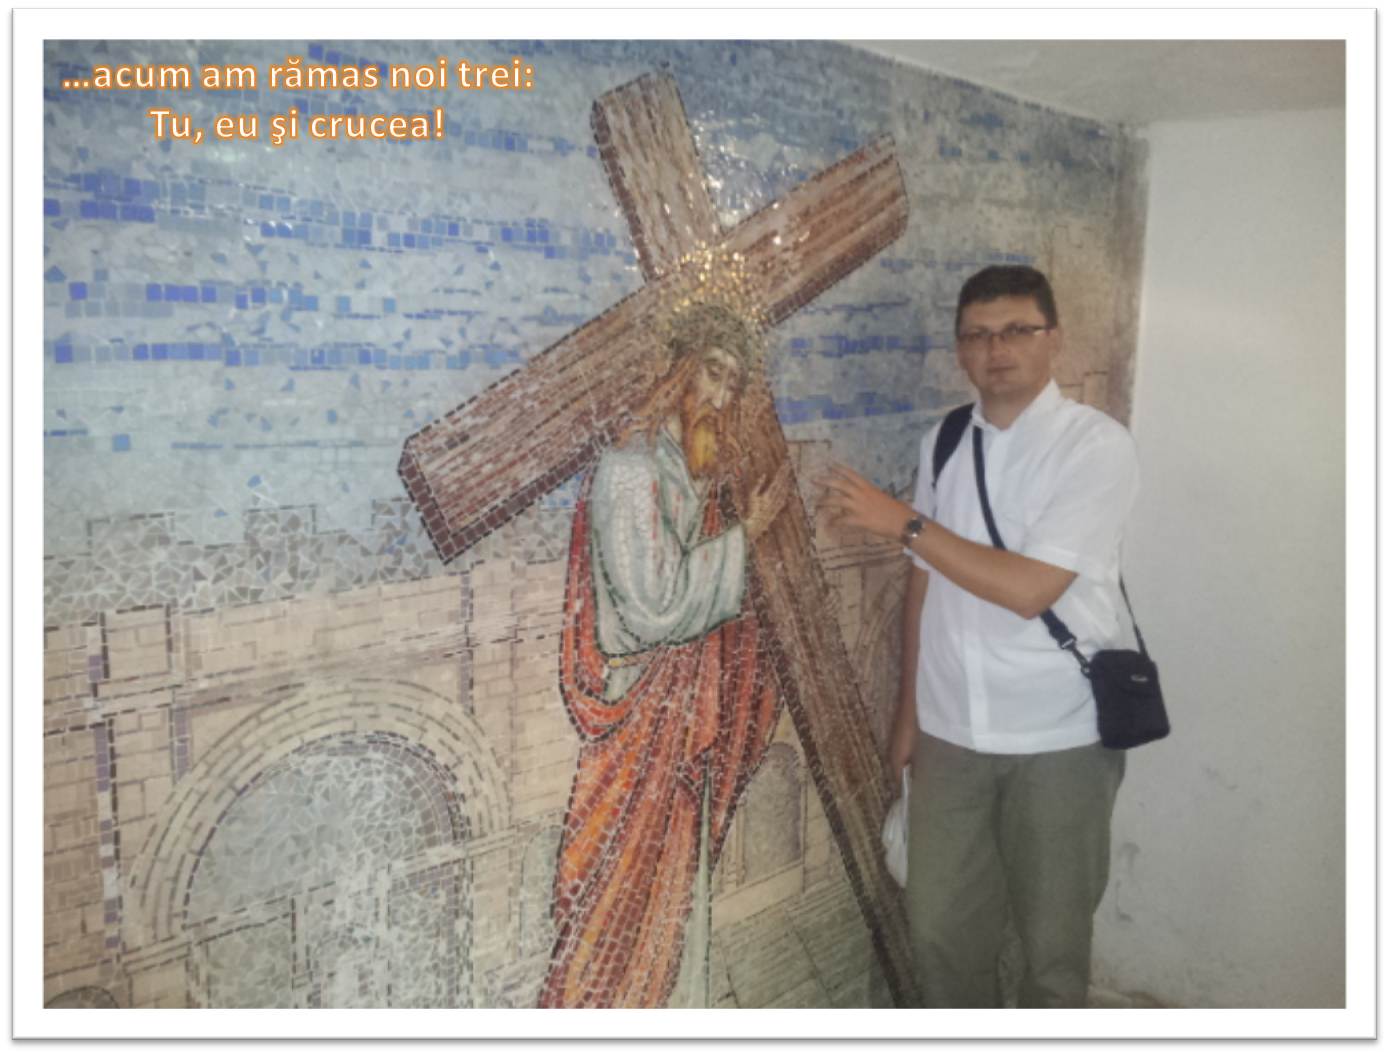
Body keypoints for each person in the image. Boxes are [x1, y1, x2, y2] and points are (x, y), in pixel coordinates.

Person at [818, 265, 1139, 1008]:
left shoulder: (1095, 446)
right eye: (978, 335)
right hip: (950, 733)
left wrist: (903, 521)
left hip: (1059, 736)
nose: (997, 350)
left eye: (1017, 330)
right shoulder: (945, 442)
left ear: (1053, 339)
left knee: (1051, 950)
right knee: (940, 937)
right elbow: (923, 582)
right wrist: (909, 713)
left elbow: (1030, 590)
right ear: (961, 349)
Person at [538, 302, 793, 1008]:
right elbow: (655, 606)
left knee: (675, 892)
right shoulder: (629, 470)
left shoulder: (694, 475)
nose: (720, 397)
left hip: (679, 726)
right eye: (711, 372)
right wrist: (747, 536)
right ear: (677, 370)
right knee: (613, 900)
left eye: (733, 383)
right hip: (638, 718)